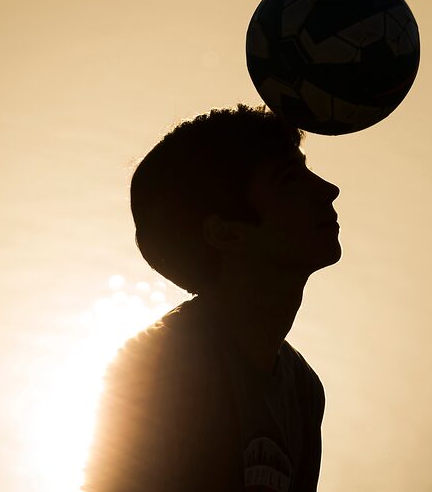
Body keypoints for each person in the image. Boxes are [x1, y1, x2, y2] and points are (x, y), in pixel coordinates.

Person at [83, 104, 341, 492]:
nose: (327, 189)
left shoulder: (302, 391)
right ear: (227, 233)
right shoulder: (162, 371)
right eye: (289, 179)